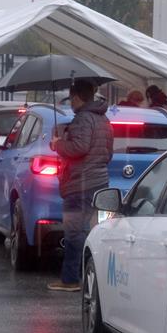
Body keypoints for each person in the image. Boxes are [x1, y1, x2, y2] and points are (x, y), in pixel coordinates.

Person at [48, 79, 113, 292]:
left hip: (80, 185)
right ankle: (94, 279)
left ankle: (70, 280)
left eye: (71, 98)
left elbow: (79, 147)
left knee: (74, 233)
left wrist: (59, 144)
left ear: (77, 97)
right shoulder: (102, 119)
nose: (70, 102)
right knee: (94, 233)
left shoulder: (83, 118)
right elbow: (108, 153)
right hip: (99, 183)